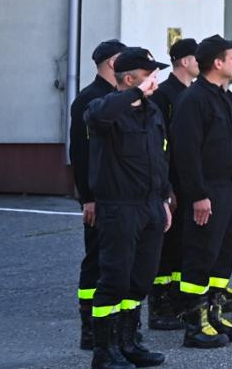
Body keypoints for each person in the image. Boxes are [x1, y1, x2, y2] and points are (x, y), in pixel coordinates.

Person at [83, 47, 173, 369]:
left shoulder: (152, 112)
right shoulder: (103, 109)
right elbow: (99, 115)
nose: (156, 78)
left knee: (140, 280)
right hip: (119, 207)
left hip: (150, 206)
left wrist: (164, 199)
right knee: (114, 280)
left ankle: (128, 342)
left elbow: (159, 158)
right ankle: (104, 351)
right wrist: (134, 92)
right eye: (150, 73)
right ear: (131, 78)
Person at [170, 35, 232, 347]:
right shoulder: (194, 100)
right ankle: (195, 325)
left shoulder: (222, 96)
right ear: (217, 63)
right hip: (208, 193)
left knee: (221, 258)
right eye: (231, 57)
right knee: (200, 257)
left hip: (229, 190)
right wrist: (199, 194)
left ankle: (214, 316)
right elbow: (186, 153)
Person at [71, 38, 125, 351]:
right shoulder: (89, 100)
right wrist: (87, 198)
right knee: (95, 260)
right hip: (99, 196)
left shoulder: (119, 97)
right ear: (111, 63)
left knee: (116, 261)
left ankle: (113, 327)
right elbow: (79, 152)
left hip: (120, 193)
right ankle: (89, 328)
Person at [146, 37, 198, 331]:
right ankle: (159, 306)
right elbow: (161, 145)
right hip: (172, 181)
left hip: (187, 179)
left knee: (183, 244)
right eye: (195, 57)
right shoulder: (164, 95)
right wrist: (167, 189)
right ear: (184, 61)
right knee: (167, 246)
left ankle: (178, 302)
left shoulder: (190, 92)